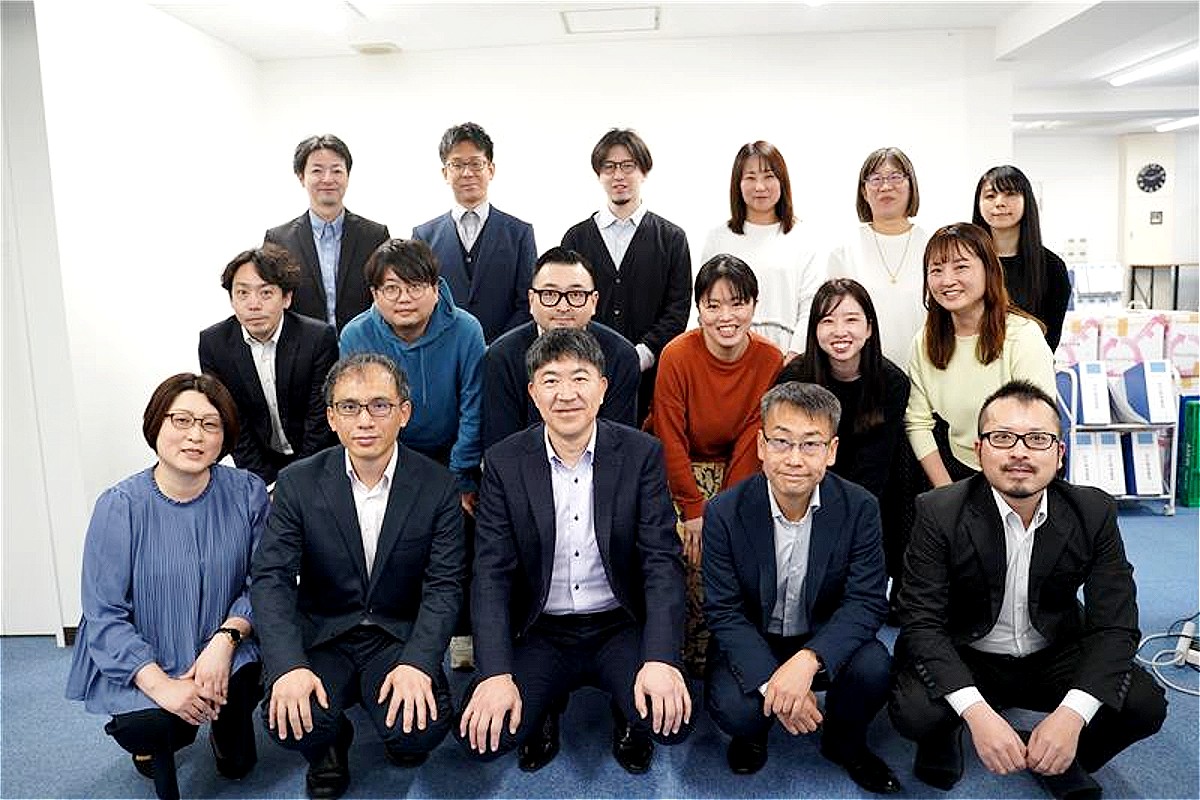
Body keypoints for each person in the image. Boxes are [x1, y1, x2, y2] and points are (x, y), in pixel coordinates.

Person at [890, 381, 1167, 798]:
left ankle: (1060, 759)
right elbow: (921, 622)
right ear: (979, 450)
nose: (1019, 452)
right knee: (914, 711)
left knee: (1144, 705)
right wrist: (975, 712)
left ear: (1059, 453)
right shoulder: (939, 511)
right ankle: (944, 735)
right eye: (1002, 438)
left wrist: (1073, 714)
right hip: (969, 651)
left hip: (1051, 651)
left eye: (1037, 439)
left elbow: (1116, 624)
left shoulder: (1093, 512)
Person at [458, 328, 692, 775]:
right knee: (482, 739)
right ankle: (544, 705)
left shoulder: (641, 454)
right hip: (541, 628)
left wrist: (661, 658)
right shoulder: (505, 462)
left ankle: (627, 709)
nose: (566, 394)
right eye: (551, 380)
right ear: (533, 393)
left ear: (602, 388)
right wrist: (495, 674)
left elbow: (661, 563)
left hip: (617, 623)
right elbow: (490, 575)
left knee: (671, 724)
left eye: (580, 378)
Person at [251, 353, 465, 800]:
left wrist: (418, 662)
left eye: (379, 405)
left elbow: (444, 585)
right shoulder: (297, 483)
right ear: (332, 417)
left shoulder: (438, 485)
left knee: (418, 731)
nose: (365, 420)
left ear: (404, 412)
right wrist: (287, 666)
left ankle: (393, 729)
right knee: (290, 720)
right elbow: (271, 579)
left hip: (395, 634)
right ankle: (331, 742)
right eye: (349, 407)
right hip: (324, 632)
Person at [66, 373, 268, 800]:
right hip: (148, 655)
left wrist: (225, 641)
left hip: (225, 646)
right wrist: (163, 687)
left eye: (210, 424)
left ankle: (223, 723)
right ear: (156, 423)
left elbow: (264, 581)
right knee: (152, 726)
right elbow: (104, 613)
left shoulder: (248, 492)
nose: (195, 435)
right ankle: (160, 733)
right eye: (181, 420)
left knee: (240, 761)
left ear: (225, 436)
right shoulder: (119, 506)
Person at [703, 382, 900, 794]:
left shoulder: (860, 507)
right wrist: (774, 685)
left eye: (811, 444)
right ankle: (754, 734)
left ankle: (844, 742)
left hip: (820, 635)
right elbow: (724, 611)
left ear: (831, 451)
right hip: (755, 637)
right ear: (761, 446)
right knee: (737, 710)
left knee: (874, 666)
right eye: (781, 442)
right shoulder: (723, 511)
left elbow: (866, 602)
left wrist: (809, 661)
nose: (794, 459)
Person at [339, 238, 484, 672]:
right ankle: (391, 631)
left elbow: (473, 406)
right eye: (391, 288)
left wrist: (460, 477)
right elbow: (358, 408)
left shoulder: (466, 330)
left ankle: (462, 632)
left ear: (436, 288)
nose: (404, 298)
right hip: (387, 452)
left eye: (415, 286)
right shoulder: (356, 335)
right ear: (374, 294)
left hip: (451, 454)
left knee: (461, 531)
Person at [647, 254, 783, 674]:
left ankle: (725, 653)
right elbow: (668, 434)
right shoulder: (676, 354)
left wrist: (722, 512)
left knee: (739, 543)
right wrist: (693, 510)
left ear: (754, 305)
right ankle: (672, 654)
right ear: (699, 309)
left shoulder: (769, 359)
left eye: (738, 303)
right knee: (677, 548)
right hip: (677, 467)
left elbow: (752, 438)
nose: (726, 317)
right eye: (713, 305)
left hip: (738, 470)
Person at [775, 278, 910, 608]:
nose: (840, 331)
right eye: (827, 321)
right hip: (808, 485)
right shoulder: (795, 377)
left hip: (872, 493)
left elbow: (876, 467)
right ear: (814, 329)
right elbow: (786, 450)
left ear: (869, 328)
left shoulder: (892, 382)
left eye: (851, 319)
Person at [906, 223, 1057, 487]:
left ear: (989, 270)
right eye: (936, 270)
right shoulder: (925, 341)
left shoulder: (1023, 336)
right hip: (957, 468)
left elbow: (1037, 423)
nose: (947, 280)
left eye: (961, 267)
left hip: (1019, 467)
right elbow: (917, 423)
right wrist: (948, 494)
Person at [561, 128, 691, 423]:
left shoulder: (672, 239)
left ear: (644, 171)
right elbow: (566, 304)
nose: (618, 176)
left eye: (628, 166)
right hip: (585, 373)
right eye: (609, 167)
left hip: (652, 376)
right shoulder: (576, 238)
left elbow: (678, 309)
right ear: (599, 174)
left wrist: (642, 354)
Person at [199, 243, 338, 486]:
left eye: (265, 293)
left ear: (286, 298)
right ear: (231, 299)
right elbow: (234, 423)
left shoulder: (318, 339)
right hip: (258, 466)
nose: (253, 304)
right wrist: (265, 483)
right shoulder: (214, 344)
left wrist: (295, 484)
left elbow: (320, 421)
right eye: (242, 293)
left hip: (317, 461)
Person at [482, 246, 639, 450]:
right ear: (531, 300)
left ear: (594, 301)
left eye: (576, 294)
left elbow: (619, 443)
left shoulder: (622, 356)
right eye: (549, 294)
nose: (563, 307)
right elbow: (501, 447)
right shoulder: (501, 356)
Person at [412, 122, 537, 343]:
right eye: (457, 165)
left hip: (505, 352)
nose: (467, 173)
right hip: (443, 349)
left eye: (476, 164)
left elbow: (527, 302)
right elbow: (419, 301)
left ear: (491, 170)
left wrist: (499, 348)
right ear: (445, 173)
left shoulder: (520, 234)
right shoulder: (424, 237)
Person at [701, 140, 821, 353]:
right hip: (728, 353)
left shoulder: (803, 237)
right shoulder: (718, 238)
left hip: (787, 354)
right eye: (750, 177)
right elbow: (705, 303)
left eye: (768, 176)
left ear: (782, 181)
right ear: (738, 184)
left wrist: (794, 355)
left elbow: (810, 306)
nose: (760, 187)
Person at [816, 146, 929, 367]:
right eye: (876, 179)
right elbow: (831, 318)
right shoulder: (844, 250)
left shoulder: (932, 245)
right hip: (862, 370)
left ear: (911, 185)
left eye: (895, 177)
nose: (885, 186)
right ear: (864, 191)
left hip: (926, 365)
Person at [265, 134, 390, 332]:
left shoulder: (375, 236)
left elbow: (386, 294)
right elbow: (272, 301)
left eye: (336, 170)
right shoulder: (279, 239)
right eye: (317, 170)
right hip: (303, 346)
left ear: (347, 176)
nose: (327, 179)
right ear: (301, 177)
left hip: (363, 343)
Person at [973, 165, 1072, 351]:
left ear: (1027, 200)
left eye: (1010, 194)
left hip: (1029, 364)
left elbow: (1050, 340)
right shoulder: (967, 262)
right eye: (990, 196)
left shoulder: (1052, 267)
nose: (999, 203)